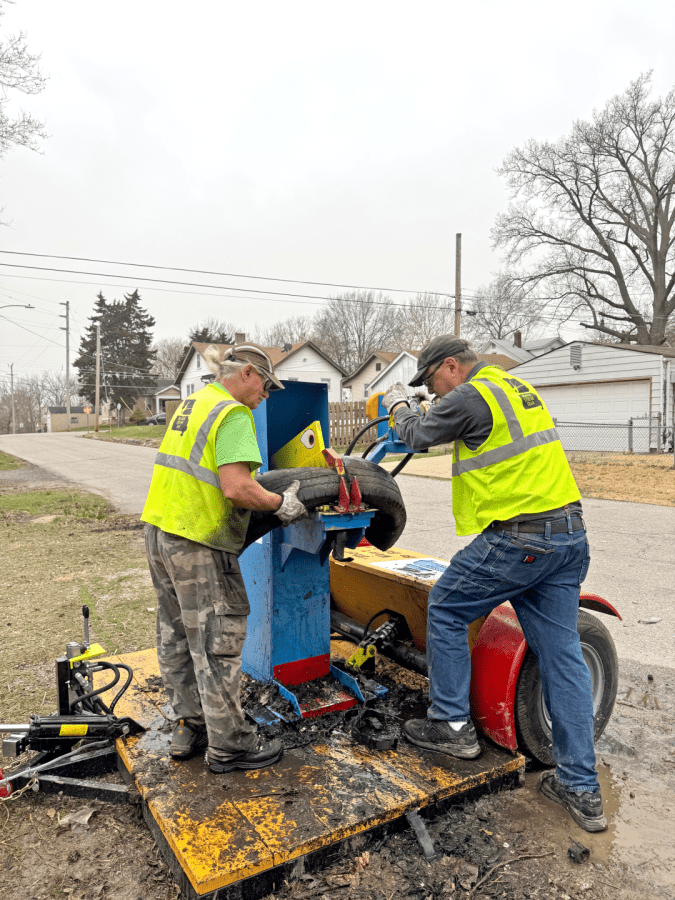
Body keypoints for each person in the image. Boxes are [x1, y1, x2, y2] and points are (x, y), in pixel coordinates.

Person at [382, 336, 606, 833]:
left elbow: (416, 437)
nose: (434, 393)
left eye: (432, 381)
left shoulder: (469, 395)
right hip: (569, 536)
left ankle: (452, 726)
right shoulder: (517, 387)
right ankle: (581, 788)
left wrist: (400, 405)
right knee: (563, 657)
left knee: (444, 604)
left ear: (452, 366)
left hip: (521, 541)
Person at [141, 344, 309, 774]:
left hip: (161, 533)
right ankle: (231, 746)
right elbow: (236, 487)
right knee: (218, 640)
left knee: (177, 634)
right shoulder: (233, 414)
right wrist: (280, 504)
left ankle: (191, 724)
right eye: (267, 386)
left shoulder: (195, 403)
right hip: (198, 541)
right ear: (249, 373)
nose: (267, 396)